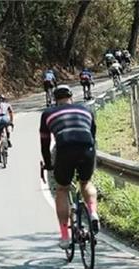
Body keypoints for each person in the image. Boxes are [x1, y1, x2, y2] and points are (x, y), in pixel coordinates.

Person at [39, 85, 99, 249]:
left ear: (54, 99)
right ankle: (93, 212)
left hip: (65, 150)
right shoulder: (86, 109)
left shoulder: (47, 113)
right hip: (87, 148)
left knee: (62, 189)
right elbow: (92, 135)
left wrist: (49, 165)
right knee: (86, 183)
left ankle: (65, 236)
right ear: (71, 97)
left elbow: (45, 145)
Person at [0, 94, 15, 163]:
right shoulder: (7, 104)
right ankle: (8, 139)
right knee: (7, 126)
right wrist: (11, 121)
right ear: (4, 99)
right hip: (5, 118)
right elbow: (11, 113)